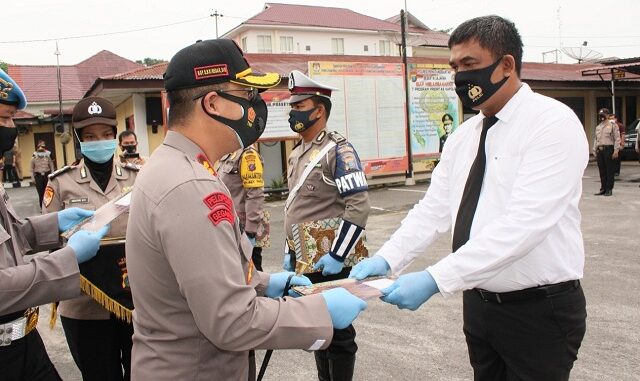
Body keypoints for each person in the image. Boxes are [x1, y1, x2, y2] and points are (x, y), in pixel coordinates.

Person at [351, 15, 588, 381]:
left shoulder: (552, 124)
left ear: (506, 65)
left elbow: (525, 224)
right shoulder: (465, 135)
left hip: (539, 311)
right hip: (479, 306)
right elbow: (434, 209)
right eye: (454, 66)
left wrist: (435, 278)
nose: (460, 77)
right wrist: (387, 258)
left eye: (470, 64)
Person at [125, 39, 367, 381]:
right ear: (213, 103)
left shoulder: (179, 167)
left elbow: (204, 275)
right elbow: (232, 320)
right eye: (247, 95)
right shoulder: (189, 186)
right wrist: (320, 312)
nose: (258, 106)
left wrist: (264, 283)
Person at [0, 68, 107, 380]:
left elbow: (11, 236)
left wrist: (55, 223)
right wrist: (68, 258)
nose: (11, 129)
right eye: (4, 118)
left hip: (23, 341)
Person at [43, 96, 139, 380]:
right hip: (84, 305)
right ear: (79, 139)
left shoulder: (139, 176)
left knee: (143, 373)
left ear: (115, 135)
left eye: (107, 135)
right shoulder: (60, 182)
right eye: (91, 136)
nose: (101, 141)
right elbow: (50, 243)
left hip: (135, 300)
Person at [284, 70, 370, 381]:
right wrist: (288, 250)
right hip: (305, 257)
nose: (293, 111)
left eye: (299, 105)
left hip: (331, 258)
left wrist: (337, 254)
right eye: (291, 105)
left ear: (318, 110)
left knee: (339, 331)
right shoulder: (297, 154)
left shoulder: (338, 150)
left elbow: (359, 205)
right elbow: (296, 207)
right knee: (318, 328)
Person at [218, 145, 268, 271]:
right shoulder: (228, 155)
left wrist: (250, 231)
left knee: (253, 275)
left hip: (244, 229)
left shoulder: (248, 155)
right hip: (230, 227)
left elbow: (255, 194)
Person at [593, 108, 620, 196]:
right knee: (602, 170)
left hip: (608, 149)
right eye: (600, 115)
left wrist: (616, 150)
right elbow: (596, 139)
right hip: (599, 150)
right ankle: (603, 188)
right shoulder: (598, 126)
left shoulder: (613, 125)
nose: (602, 116)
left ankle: (609, 189)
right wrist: (594, 150)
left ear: (608, 115)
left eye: (603, 114)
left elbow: (617, 138)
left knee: (609, 170)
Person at [30, 141, 55, 206]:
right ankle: (42, 207)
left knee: (48, 192)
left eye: (42, 146)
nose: (41, 148)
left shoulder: (48, 155)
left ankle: (48, 206)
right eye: (39, 146)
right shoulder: (34, 156)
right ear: (37, 147)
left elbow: (51, 166)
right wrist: (32, 178)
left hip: (47, 175)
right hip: (38, 176)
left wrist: (52, 175)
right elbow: (31, 168)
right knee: (40, 192)